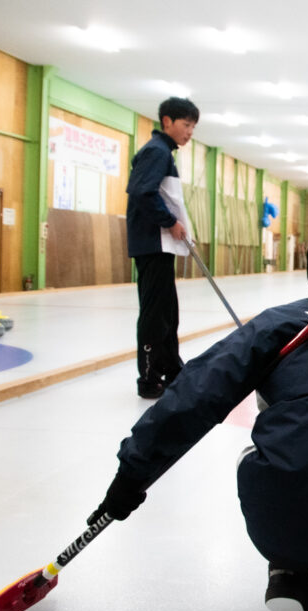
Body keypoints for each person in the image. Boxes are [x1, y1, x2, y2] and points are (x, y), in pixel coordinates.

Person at [88, 216, 308, 611]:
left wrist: (133, 473)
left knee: (267, 433)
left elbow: (194, 395)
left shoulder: (280, 324)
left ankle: (287, 572)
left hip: (281, 520)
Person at [126, 97, 200, 399]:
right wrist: (170, 222)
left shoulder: (162, 153)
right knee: (156, 314)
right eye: (186, 125)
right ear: (167, 121)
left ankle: (172, 369)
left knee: (168, 312)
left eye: (193, 127)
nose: (189, 132)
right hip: (152, 244)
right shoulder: (156, 152)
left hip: (160, 245)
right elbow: (142, 192)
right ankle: (149, 377)